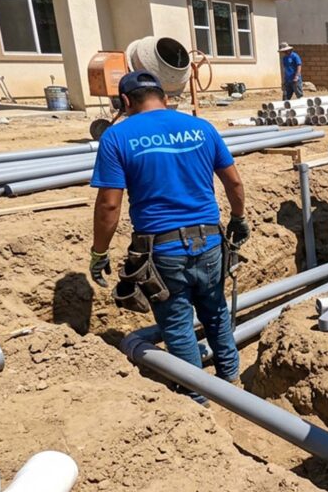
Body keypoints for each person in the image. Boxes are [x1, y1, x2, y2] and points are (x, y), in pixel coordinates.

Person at [88, 70, 251, 405]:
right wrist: (238, 218)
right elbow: (234, 183)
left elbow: (108, 205)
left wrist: (99, 252)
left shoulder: (117, 138)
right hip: (209, 243)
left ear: (126, 101)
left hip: (162, 252)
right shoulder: (202, 128)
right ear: (163, 97)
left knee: (177, 326)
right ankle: (231, 380)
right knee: (216, 311)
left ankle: (197, 399)